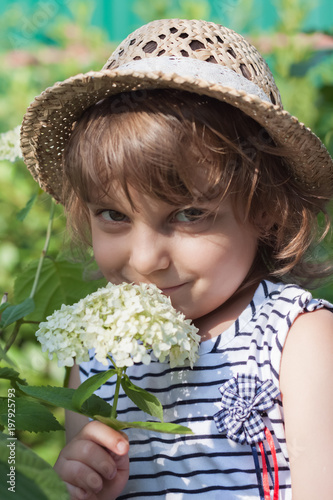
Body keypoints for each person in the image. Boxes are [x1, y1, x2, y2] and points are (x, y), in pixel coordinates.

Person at [20, 18, 333, 500]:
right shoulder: (96, 357)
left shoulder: (295, 337)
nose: (145, 259)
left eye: (188, 214)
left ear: (267, 208)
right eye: (113, 215)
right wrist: (76, 484)